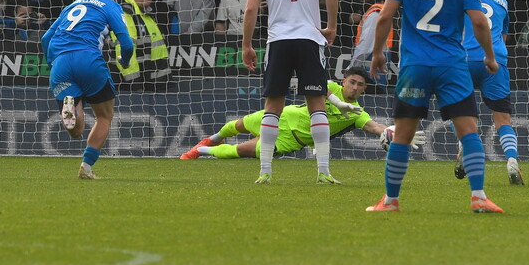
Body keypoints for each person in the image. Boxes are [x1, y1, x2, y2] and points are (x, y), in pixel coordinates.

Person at [366, 0, 503, 213]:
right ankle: (479, 196)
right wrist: (490, 56)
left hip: (414, 65)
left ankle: (390, 201)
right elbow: (479, 21)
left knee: (402, 135)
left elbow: (385, 17)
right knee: (468, 131)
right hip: (452, 65)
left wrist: (378, 52)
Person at [242, 0, 339, 185]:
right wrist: (331, 27)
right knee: (316, 104)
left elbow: (251, 9)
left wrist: (247, 45)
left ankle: (265, 172)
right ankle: (324, 171)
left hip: (278, 42)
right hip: (309, 39)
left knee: (272, 107)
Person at [180, 67, 426, 163]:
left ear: (364, 89)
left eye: (360, 85)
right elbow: (318, 84)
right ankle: (210, 139)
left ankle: (199, 151)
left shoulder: (356, 113)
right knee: (236, 125)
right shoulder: (332, 86)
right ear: (345, 80)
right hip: (284, 115)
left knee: (241, 151)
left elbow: (373, 127)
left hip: (291, 139)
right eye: (352, 82)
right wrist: (338, 102)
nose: (354, 87)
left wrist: (395, 133)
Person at [42, 0, 134, 180]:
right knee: (104, 116)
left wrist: (52, 63)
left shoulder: (72, 5)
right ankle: (86, 165)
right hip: (89, 59)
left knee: (76, 130)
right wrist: (125, 61)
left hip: (61, 63)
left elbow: (46, 38)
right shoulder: (111, 6)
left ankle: (70, 106)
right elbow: (127, 44)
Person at [452, 0, 524, 186]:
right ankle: (512, 161)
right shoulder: (502, 0)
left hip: (463, 59)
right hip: (495, 60)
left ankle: (465, 148)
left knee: (464, 113)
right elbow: (502, 36)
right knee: (503, 118)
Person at [111, 0, 171, 90]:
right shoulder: (127, 14)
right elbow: (124, 51)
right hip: (130, 87)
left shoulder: (145, 13)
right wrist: (135, 84)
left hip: (152, 83)